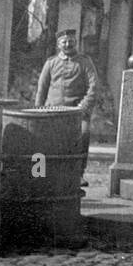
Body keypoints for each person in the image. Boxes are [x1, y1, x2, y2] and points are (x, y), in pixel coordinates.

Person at [35, 28, 100, 186]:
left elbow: (94, 87)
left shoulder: (85, 62)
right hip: (52, 111)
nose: (68, 44)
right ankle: (40, 175)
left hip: (76, 113)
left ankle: (78, 174)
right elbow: (41, 89)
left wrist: (82, 107)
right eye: (64, 42)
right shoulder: (51, 63)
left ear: (75, 42)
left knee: (83, 134)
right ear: (58, 44)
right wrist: (38, 111)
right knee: (39, 140)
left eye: (71, 41)